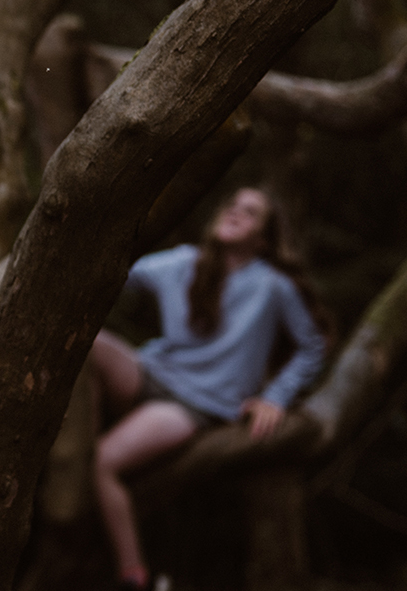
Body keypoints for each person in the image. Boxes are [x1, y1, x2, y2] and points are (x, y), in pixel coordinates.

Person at [85, 187, 329, 591]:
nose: (234, 213)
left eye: (249, 213)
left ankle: (134, 576)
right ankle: (73, 447)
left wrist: (276, 397)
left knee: (102, 464)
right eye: (231, 205)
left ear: (263, 239)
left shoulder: (273, 287)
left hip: (192, 404)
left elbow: (313, 345)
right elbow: (113, 272)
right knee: (87, 344)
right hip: (149, 372)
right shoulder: (183, 261)